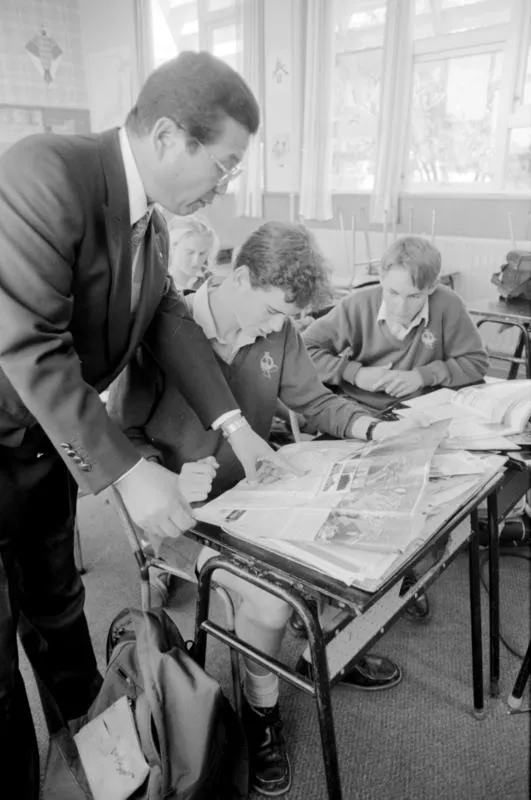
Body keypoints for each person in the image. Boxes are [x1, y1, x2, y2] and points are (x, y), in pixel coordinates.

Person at [0, 51, 299, 799]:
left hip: (42, 458)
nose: (227, 186)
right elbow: (31, 345)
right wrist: (130, 472)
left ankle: (99, 777)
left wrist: (235, 427)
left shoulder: (155, 230)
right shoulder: (45, 173)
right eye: (223, 166)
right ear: (168, 136)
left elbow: (165, 319)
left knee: (64, 629)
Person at [108, 221, 426, 797]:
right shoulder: (159, 335)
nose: (280, 327)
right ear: (240, 277)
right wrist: (170, 473)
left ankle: (324, 657)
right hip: (182, 516)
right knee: (273, 603)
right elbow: (121, 442)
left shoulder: (277, 330)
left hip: (257, 497)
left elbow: (314, 399)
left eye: (289, 318)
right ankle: (261, 711)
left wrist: (368, 427)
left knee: (358, 541)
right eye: (276, 310)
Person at [303, 235, 489, 399]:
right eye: (393, 293)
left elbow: (476, 363)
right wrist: (353, 373)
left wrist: (423, 376)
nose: (401, 308)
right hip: (360, 409)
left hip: (424, 411)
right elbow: (304, 348)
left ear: (432, 287)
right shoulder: (356, 305)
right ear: (381, 278)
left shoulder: (447, 304)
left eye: (414, 296)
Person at [168, 214, 219, 290]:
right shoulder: (157, 282)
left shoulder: (211, 282)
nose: (196, 261)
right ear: (173, 246)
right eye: (190, 252)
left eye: (202, 253)